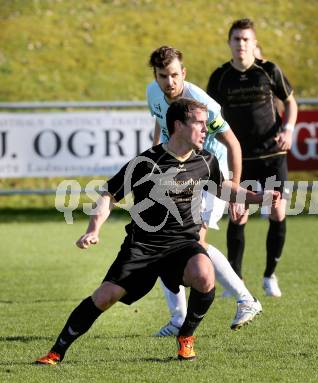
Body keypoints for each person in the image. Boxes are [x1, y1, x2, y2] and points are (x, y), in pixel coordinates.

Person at [35, 98, 280, 365]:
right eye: (199, 123)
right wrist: (93, 229)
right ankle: (56, 351)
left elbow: (223, 187)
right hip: (143, 245)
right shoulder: (145, 163)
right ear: (179, 125)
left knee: (204, 274)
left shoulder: (205, 161)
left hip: (183, 243)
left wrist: (258, 198)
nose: (205, 129)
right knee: (105, 297)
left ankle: (186, 337)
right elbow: (109, 194)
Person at [146, 46, 262, 336]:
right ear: (155, 76)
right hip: (180, 175)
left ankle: (246, 299)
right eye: (163, 76)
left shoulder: (201, 104)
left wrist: (237, 189)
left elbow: (232, 144)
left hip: (212, 176)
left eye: (174, 75)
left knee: (193, 244)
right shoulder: (152, 93)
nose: (169, 82)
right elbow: (161, 128)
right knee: (164, 240)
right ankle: (178, 319)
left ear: (183, 73)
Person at [207, 18, 298, 297]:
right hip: (238, 158)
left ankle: (270, 275)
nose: (241, 44)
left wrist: (288, 129)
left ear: (254, 43)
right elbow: (211, 117)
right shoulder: (220, 77)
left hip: (272, 154)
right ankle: (236, 280)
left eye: (246, 39)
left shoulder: (268, 71)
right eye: (236, 39)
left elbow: (290, 103)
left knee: (277, 210)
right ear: (230, 44)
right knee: (238, 216)